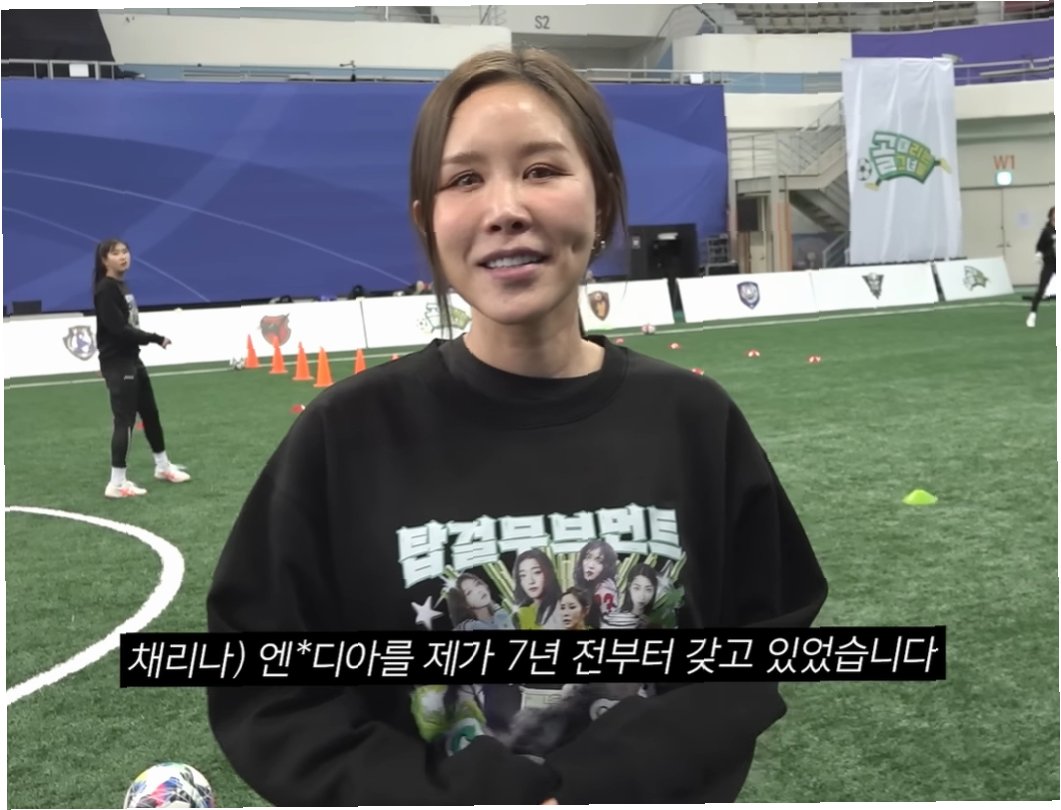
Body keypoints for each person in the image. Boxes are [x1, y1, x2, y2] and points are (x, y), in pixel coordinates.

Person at [206, 47, 827, 805]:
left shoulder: (693, 422)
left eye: (541, 169)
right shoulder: (345, 437)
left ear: (602, 198)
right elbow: (269, 690)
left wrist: (601, 783)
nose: (505, 208)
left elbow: (761, 642)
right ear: (427, 222)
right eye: (464, 179)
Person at [92, 238, 190, 498]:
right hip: (118, 362)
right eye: (116, 253)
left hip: (132, 359)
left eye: (125, 252)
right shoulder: (106, 289)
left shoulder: (121, 286)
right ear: (104, 260)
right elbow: (120, 330)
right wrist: (155, 338)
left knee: (150, 414)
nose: (123, 256)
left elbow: (127, 327)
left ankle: (163, 466)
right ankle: (116, 483)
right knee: (124, 421)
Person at [1026, 206, 1055, 327]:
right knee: (1041, 289)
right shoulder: (1047, 231)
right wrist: (1038, 254)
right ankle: (1032, 314)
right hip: (1050, 263)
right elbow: (1039, 246)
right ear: (1051, 215)